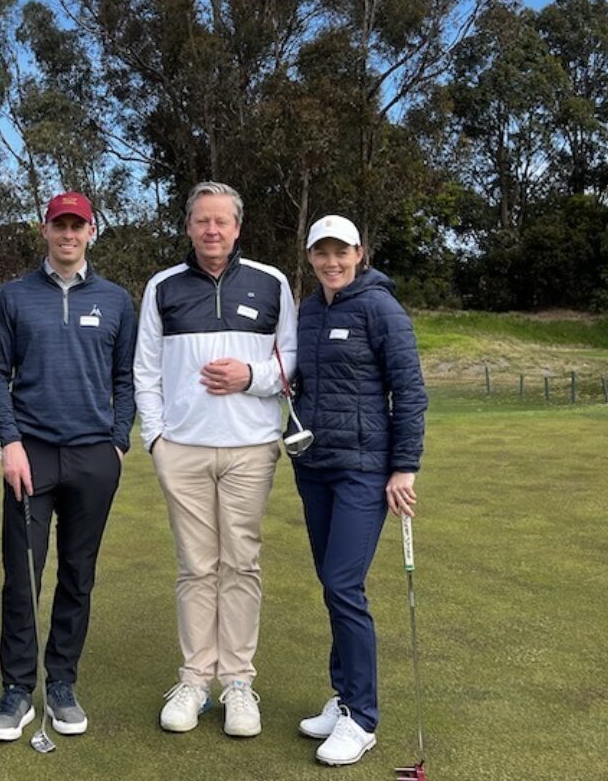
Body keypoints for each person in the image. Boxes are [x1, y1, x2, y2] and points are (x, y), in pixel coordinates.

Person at [134, 181, 296, 738]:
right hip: (182, 449)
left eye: (221, 221)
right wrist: (156, 439)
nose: (211, 230)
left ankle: (238, 683)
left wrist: (252, 377)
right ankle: (195, 679)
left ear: (237, 227)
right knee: (196, 566)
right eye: (202, 220)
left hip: (251, 447)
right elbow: (145, 370)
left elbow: (291, 360)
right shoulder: (163, 287)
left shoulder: (271, 283)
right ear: (188, 226)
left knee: (241, 564)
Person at [0, 192, 137, 742]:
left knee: (78, 573)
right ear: (45, 230)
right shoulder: (14, 296)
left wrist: (118, 443)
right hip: (32, 453)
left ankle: (62, 682)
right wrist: (10, 440)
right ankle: (17, 688)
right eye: (59, 225)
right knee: (22, 575)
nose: (68, 235)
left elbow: (126, 378)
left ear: (91, 231)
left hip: (94, 454)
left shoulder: (116, 300)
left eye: (78, 226)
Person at [289, 214, 426, 767]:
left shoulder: (380, 308)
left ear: (359, 253)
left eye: (341, 252)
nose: (332, 262)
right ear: (310, 257)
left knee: (344, 584)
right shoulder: (307, 310)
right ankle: (344, 696)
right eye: (322, 253)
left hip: (364, 470)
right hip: (314, 466)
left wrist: (404, 468)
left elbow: (409, 391)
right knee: (332, 583)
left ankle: (363, 718)